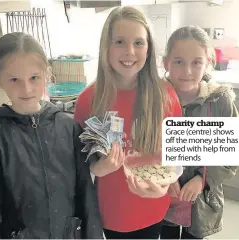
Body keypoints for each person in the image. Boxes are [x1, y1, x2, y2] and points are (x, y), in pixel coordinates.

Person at [74, 6, 182, 239]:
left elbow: (176, 155)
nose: (129, 52)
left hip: (154, 209)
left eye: (139, 43)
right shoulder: (88, 101)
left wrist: (166, 184)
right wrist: (99, 168)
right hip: (111, 214)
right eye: (120, 42)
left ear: (149, 48)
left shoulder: (166, 95)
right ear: (106, 46)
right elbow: (80, 164)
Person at [0, 32, 104, 239]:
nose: (27, 88)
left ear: (47, 73)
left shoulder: (68, 128)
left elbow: (86, 195)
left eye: (34, 77)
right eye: (14, 79)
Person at [160, 25, 238, 239]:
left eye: (196, 62)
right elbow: (143, 147)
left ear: (208, 63)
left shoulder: (220, 101)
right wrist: (165, 177)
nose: (187, 71)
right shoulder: (155, 100)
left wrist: (203, 179)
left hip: (202, 202)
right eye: (178, 62)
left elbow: (230, 158)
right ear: (166, 62)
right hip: (162, 196)